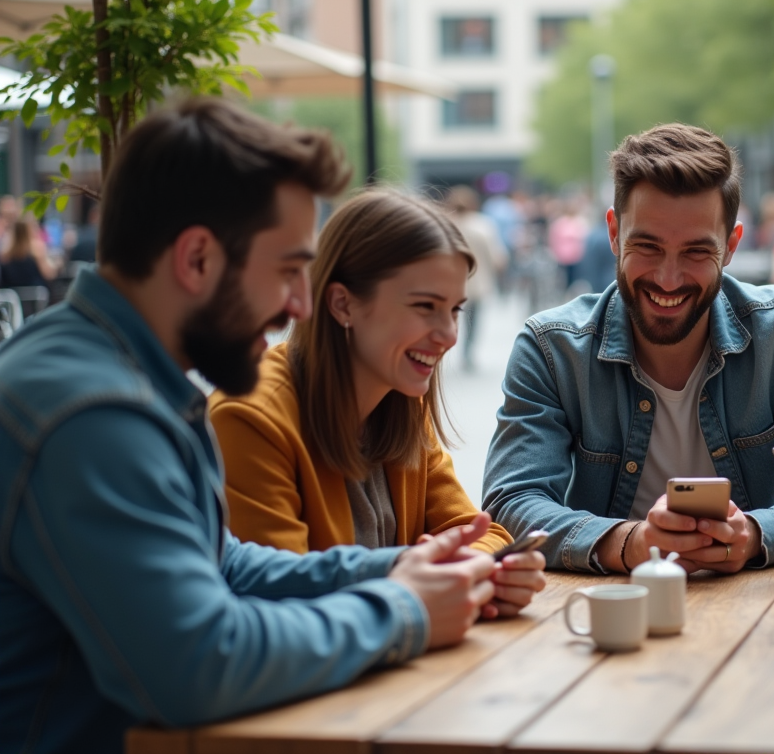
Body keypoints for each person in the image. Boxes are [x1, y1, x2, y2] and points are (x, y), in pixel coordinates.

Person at [0, 98, 502, 754]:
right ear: (199, 259)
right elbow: (196, 665)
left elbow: (223, 562)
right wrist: (402, 612)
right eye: (289, 269)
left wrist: (399, 567)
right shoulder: (93, 415)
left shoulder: (131, 378)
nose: (301, 302)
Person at [483, 123, 774, 574]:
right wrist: (629, 542)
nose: (668, 279)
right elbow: (511, 501)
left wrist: (753, 534)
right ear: (614, 234)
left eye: (696, 252)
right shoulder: (552, 348)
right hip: (615, 608)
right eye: (647, 247)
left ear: (731, 246)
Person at [210, 188, 545, 618]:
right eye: (425, 306)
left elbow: (477, 531)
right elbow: (279, 605)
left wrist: (481, 569)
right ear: (342, 303)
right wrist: (425, 584)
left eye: (456, 310)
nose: (449, 335)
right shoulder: (249, 418)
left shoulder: (398, 398)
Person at [444, 185, 508, 371]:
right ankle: (468, 352)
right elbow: (498, 257)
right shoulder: (483, 225)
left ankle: (451, 346)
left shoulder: (445, 225)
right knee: (474, 318)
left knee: (450, 316)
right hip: (477, 280)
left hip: (449, 280)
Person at [0, 215, 57, 289]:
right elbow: (49, 275)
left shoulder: (5, 256)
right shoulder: (37, 251)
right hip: (36, 297)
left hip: (12, 298)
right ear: (28, 231)